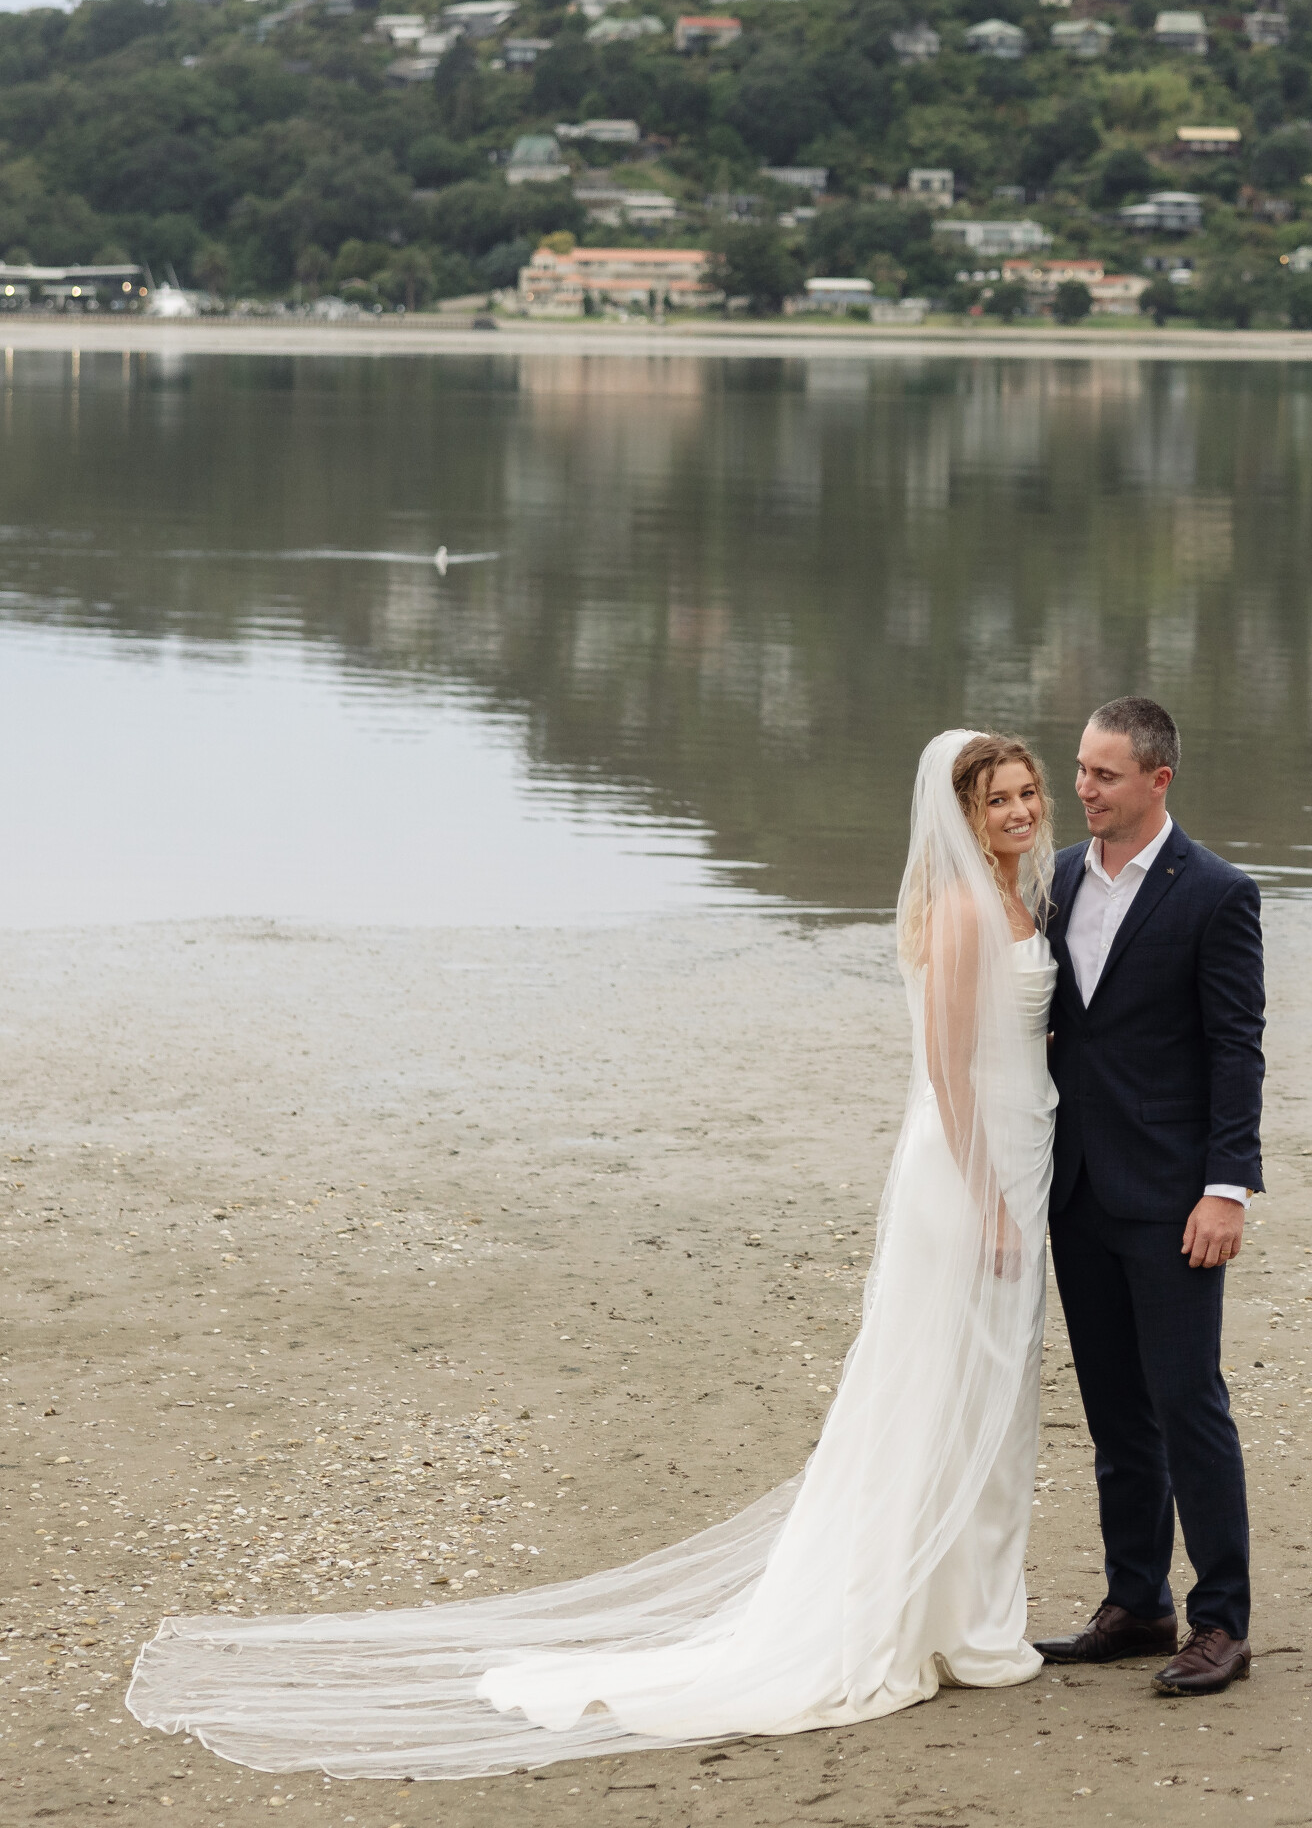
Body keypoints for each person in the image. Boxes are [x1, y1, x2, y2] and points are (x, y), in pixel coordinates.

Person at [127, 731, 1060, 1779]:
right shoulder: (964, 911)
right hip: (970, 1178)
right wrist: (989, 1204)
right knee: (941, 1391)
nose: (1021, 811)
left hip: (1017, 1158)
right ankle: (936, 1620)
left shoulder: (1022, 896)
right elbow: (947, 1071)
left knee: (990, 1392)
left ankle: (967, 1616)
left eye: (1029, 793)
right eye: (999, 799)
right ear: (963, 813)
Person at [1034, 695, 1266, 1696]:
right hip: (1075, 1187)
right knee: (1114, 1410)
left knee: (1187, 1403)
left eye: (1105, 774)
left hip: (1175, 1197)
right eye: (1081, 769)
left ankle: (1222, 1623)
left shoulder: (1216, 893)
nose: (1083, 788)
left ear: (1157, 779)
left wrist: (1227, 1189)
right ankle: (1136, 1603)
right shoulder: (1053, 880)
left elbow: (1236, 1048)